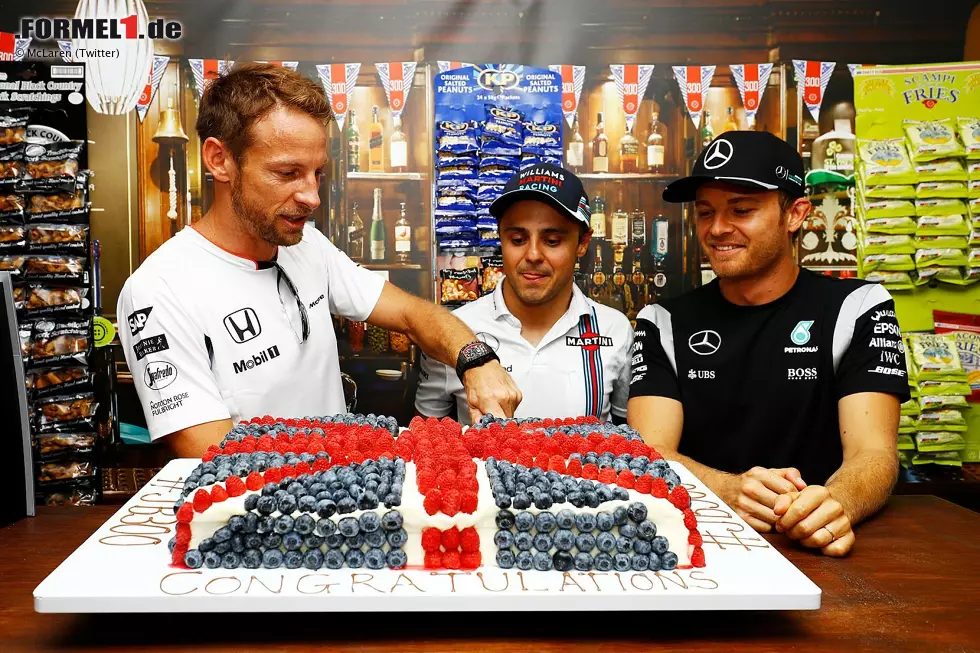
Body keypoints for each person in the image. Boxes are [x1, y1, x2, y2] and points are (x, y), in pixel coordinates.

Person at [117, 64, 520, 457]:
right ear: (219, 160)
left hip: (343, 502)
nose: (311, 196)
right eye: (288, 172)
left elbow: (415, 314)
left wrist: (475, 358)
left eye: (317, 173)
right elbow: (212, 453)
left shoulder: (307, 245)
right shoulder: (159, 290)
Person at [627, 131, 910, 557]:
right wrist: (727, 488)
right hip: (699, 545)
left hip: (821, 543)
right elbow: (650, 452)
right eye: (705, 212)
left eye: (741, 210)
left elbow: (874, 451)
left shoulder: (858, 306)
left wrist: (836, 504)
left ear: (795, 214)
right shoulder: (661, 321)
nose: (718, 229)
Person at [415, 163, 633, 425]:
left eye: (552, 241)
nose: (532, 255)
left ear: (583, 243)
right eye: (518, 239)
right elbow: (428, 441)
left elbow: (629, 441)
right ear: (500, 239)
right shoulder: (454, 332)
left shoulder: (614, 330)